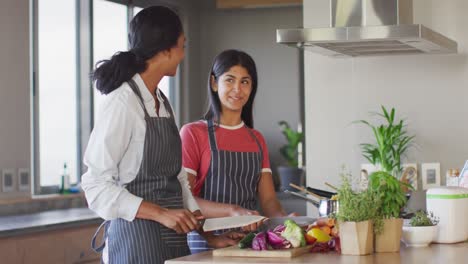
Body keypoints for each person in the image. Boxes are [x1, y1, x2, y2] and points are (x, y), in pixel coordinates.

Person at [81, 6, 202, 264]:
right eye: (182, 46)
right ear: (166, 50)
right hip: (134, 244)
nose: (183, 55)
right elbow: (95, 186)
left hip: (173, 243)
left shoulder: (162, 101)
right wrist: (160, 213)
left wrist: (201, 227)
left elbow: (177, 177)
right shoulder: (122, 103)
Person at [180, 49, 290, 253]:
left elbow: (268, 200)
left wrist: (284, 221)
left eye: (245, 82)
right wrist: (232, 211)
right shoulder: (194, 133)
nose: (237, 89)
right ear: (214, 83)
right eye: (229, 80)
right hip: (205, 244)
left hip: (248, 244)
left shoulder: (256, 139)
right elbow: (184, 197)